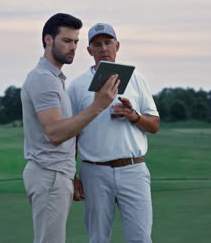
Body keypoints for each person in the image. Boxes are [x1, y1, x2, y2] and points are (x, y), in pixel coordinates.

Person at [21, 14, 120, 243]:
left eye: (76, 41)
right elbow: (55, 133)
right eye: (66, 41)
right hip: (50, 174)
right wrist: (98, 106)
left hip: (55, 174)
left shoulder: (55, 77)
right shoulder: (44, 78)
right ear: (48, 40)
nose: (73, 47)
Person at [68, 23, 160, 243]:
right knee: (98, 238)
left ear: (117, 46)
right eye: (97, 44)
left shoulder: (136, 79)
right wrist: (71, 175)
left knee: (141, 238)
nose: (103, 49)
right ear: (89, 51)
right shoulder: (77, 86)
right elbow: (71, 134)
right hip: (94, 171)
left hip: (134, 169)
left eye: (108, 43)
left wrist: (134, 116)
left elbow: (154, 125)